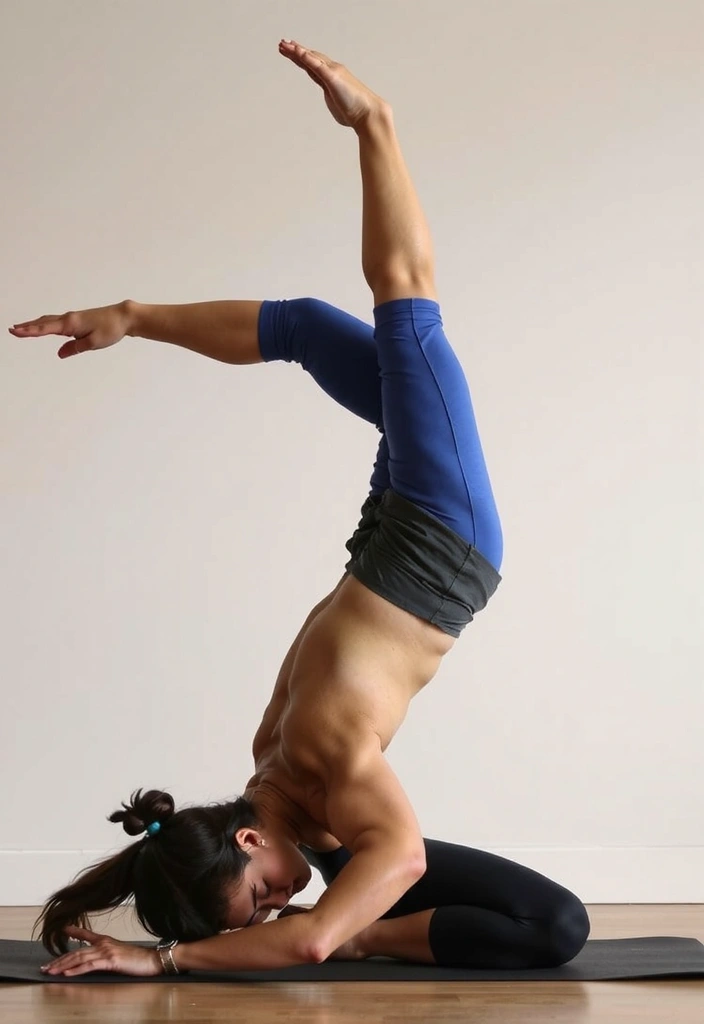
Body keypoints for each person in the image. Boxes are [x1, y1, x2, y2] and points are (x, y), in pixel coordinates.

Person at [13, 40, 590, 977]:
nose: (276, 906)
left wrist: (168, 962)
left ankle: (374, 123)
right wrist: (244, 932)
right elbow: (349, 891)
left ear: (246, 841)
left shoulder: (316, 761)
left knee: (399, 310)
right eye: (260, 915)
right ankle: (134, 313)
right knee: (554, 927)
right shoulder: (274, 775)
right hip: (402, 538)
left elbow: (335, 916)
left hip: (436, 533)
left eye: (258, 898)